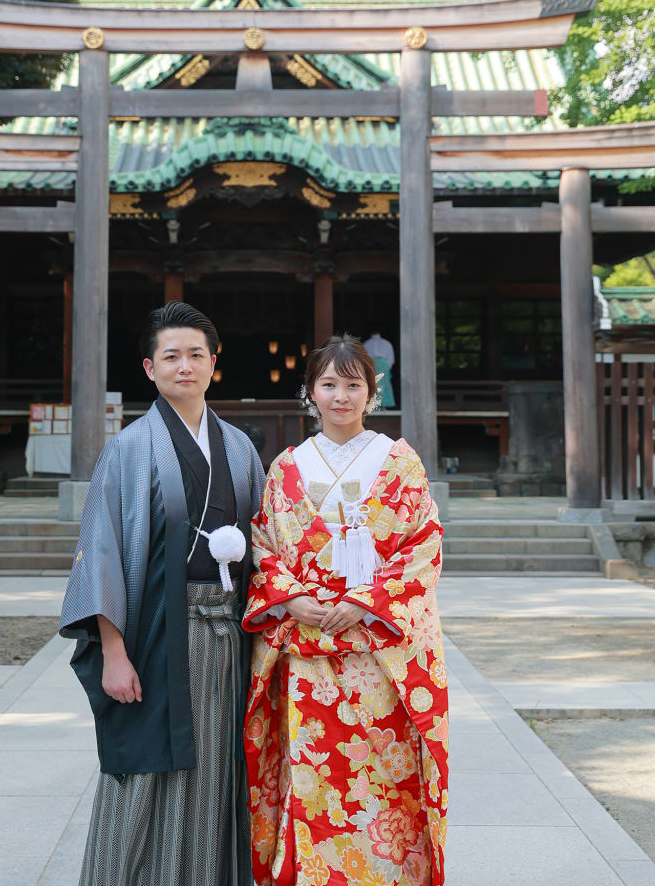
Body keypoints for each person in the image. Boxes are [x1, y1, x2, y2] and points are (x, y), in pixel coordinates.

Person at [59, 302, 265, 886]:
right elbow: (101, 551)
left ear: (213, 363)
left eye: (196, 354)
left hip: (229, 637)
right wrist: (113, 653)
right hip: (154, 637)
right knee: (148, 767)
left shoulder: (241, 448)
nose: (184, 366)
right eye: (170, 356)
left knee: (219, 767)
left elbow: (269, 543)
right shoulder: (129, 448)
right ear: (150, 369)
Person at [243, 334, 448, 886]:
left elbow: (422, 542)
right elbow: (263, 543)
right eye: (328, 384)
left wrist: (363, 603)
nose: (340, 396)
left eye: (353, 385)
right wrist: (292, 597)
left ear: (371, 392)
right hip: (307, 647)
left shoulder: (399, 461)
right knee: (312, 771)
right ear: (310, 392)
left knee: (383, 770)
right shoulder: (287, 466)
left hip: (375, 652)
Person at [363, 330, 397, 408]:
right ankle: (383, 405)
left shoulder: (367, 343)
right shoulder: (387, 343)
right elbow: (391, 358)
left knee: (373, 383)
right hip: (383, 364)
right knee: (384, 384)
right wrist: (387, 367)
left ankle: (373, 405)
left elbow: (364, 358)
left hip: (371, 364)